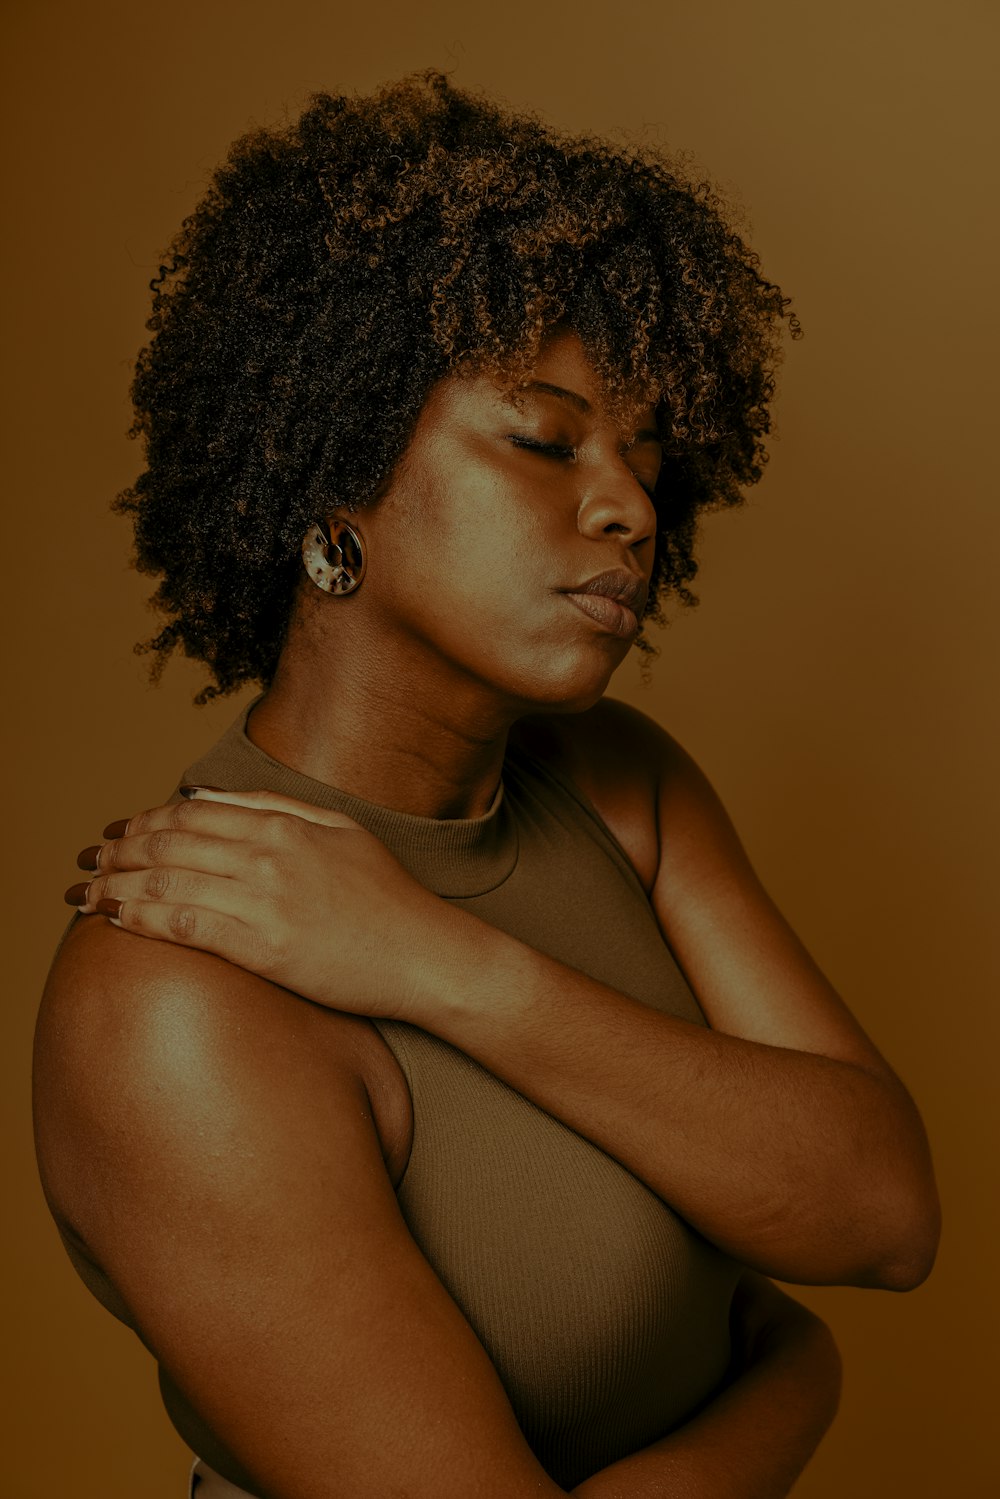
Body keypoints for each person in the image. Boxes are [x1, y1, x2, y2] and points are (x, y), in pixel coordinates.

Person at [34, 72, 939, 1498]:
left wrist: (437, 961)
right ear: (336, 481)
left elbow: (882, 1216)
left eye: (648, 456)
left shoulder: (622, 788)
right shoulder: (172, 1010)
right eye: (544, 438)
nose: (630, 506)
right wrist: (791, 1385)